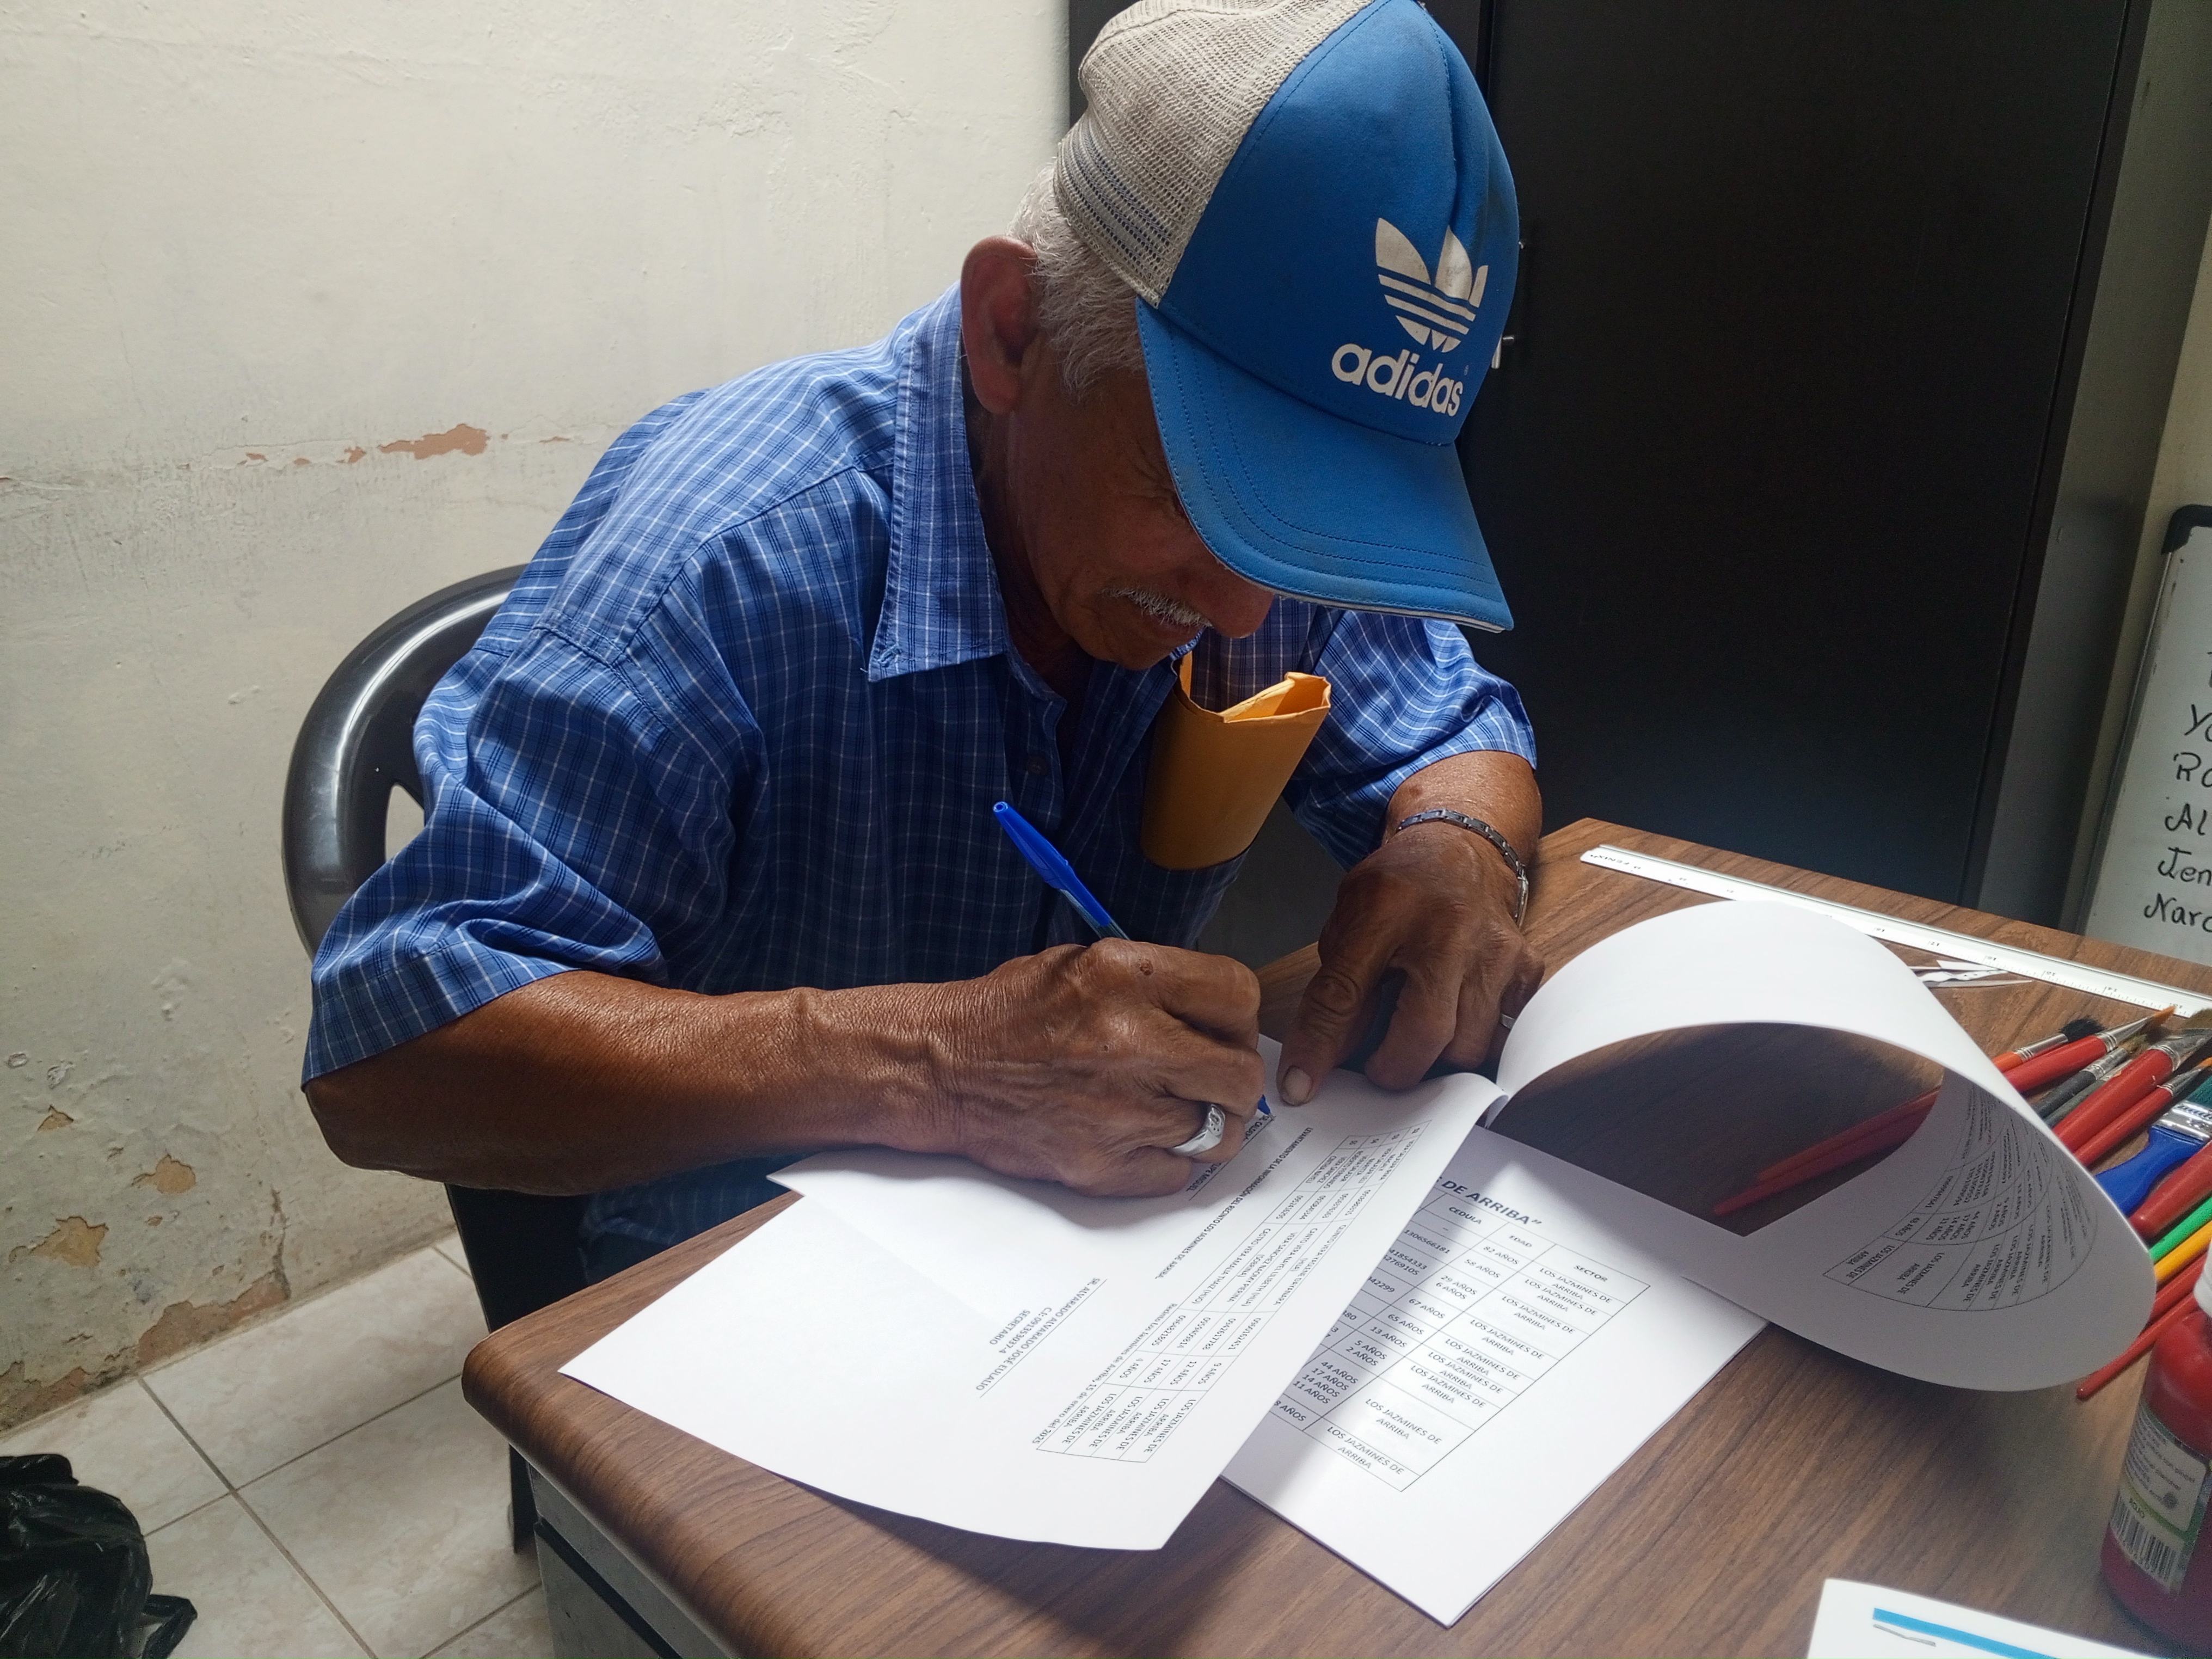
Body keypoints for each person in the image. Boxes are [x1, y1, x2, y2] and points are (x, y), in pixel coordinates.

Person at [303, 0, 1544, 1280]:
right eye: (1199, 495)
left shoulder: (1261, 557)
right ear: (1010, 331)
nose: (1246, 610)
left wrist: (1458, 856)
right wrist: (938, 1063)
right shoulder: (719, 560)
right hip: (747, 1280)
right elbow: (388, 1061)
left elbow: (1454, 736)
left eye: (1311, 531)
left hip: (1117, 1253)